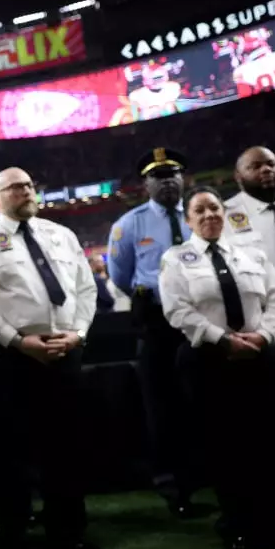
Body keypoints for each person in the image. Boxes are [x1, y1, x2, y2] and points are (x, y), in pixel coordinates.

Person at [0, 167, 103, 549]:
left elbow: (86, 289)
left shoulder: (62, 234)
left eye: (27, 185)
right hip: (13, 359)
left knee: (67, 448)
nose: (24, 191)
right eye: (14, 187)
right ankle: (16, 533)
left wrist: (79, 334)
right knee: (12, 451)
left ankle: (69, 533)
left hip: (66, 351)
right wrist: (18, 341)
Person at [159, 186, 275, 549]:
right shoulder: (175, 259)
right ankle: (237, 523)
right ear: (188, 221)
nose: (210, 215)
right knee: (225, 446)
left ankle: (274, 518)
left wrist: (263, 336)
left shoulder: (252, 253)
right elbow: (177, 310)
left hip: (260, 357)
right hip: (209, 362)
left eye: (215, 207)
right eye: (200, 211)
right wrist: (223, 339)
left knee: (270, 441)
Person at [106, 147, 205, 518]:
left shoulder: (202, 215)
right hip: (159, 321)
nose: (167, 181)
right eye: (158, 175)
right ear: (145, 183)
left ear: (184, 178)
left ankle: (206, 476)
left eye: (173, 173)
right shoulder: (128, 225)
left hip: (205, 315)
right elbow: (121, 275)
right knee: (163, 406)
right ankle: (172, 485)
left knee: (205, 400)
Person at [222, 146, 275, 279]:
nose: (266, 169)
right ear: (238, 177)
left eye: (271, 164)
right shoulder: (224, 216)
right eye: (255, 167)